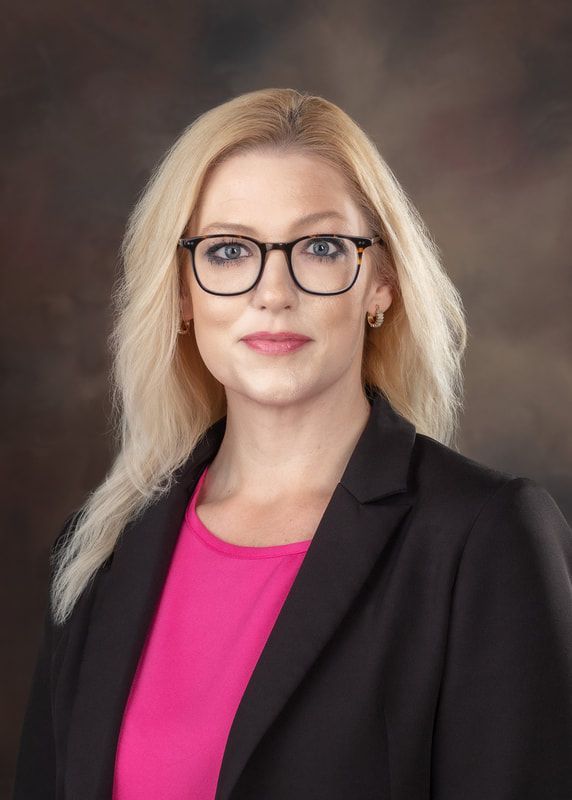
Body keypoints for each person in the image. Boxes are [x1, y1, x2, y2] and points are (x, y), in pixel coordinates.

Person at [13, 88, 572, 800]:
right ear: (182, 294)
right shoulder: (99, 551)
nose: (273, 291)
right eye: (226, 251)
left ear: (381, 284)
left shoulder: (483, 537)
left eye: (321, 247)